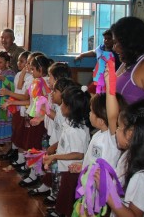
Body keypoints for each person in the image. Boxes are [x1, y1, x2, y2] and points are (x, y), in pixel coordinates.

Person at [42, 85, 91, 217]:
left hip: (73, 170)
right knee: (64, 191)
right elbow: (65, 140)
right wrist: (54, 147)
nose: (61, 105)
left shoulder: (77, 130)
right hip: (67, 168)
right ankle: (60, 210)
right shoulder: (70, 123)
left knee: (69, 194)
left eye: (63, 103)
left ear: (69, 108)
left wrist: (55, 157)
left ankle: (64, 212)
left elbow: (78, 153)